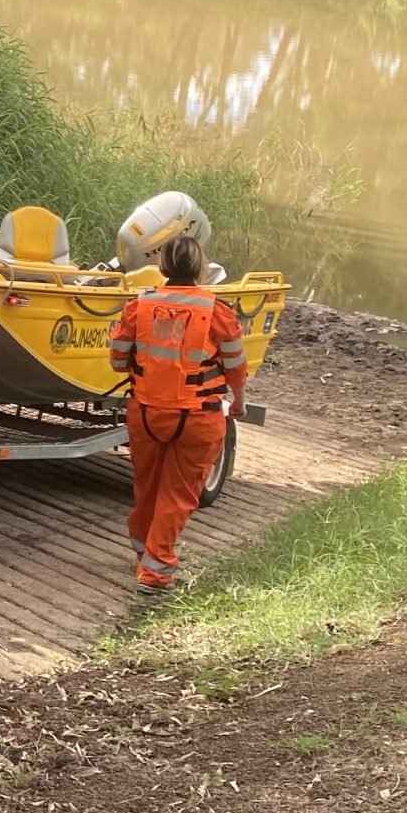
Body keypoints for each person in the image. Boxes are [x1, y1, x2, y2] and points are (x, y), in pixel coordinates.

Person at [105, 235, 248, 594]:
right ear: (200, 267)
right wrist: (240, 401)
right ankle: (155, 571)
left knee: (148, 486)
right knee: (179, 494)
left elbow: (117, 360)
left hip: (147, 413)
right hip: (199, 416)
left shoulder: (139, 306)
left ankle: (145, 553)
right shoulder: (217, 311)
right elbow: (235, 366)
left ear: (163, 266)